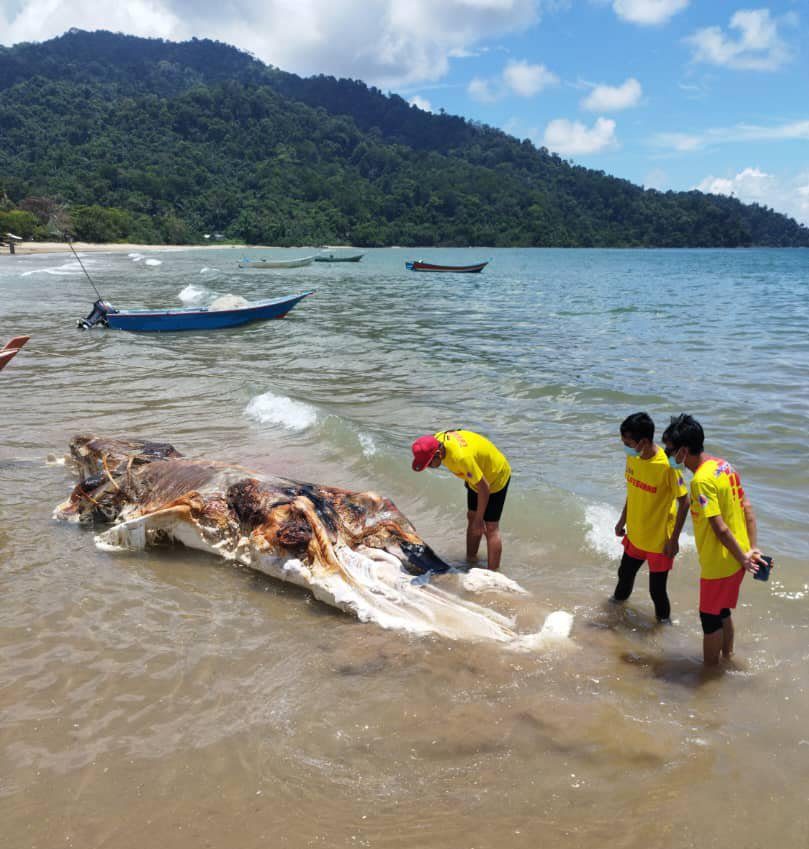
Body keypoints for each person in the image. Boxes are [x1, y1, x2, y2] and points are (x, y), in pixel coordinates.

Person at [665, 413, 764, 666]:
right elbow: (747, 508)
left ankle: (709, 673)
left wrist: (743, 558)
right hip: (737, 556)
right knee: (722, 612)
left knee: (709, 618)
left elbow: (719, 528)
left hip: (721, 562)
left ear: (684, 451)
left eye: (670, 450)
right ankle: (727, 656)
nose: (668, 455)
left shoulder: (701, 481)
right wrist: (751, 549)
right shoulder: (725, 466)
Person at [612, 412, 690, 622]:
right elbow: (632, 490)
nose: (625, 447)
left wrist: (673, 540)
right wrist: (622, 520)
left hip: (659, 541)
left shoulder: (667, 467)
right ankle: (614, 617)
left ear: (643, 442)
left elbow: (685, 501)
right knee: (624, 576)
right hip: (636, 532)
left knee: (656, 591)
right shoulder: (633, 456)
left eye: (628, 442)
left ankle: (663, 630)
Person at [411, 429, 511, 571]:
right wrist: (476, 518)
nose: (428, 466)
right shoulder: (437, 440)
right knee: (471, 516)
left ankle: (493, 575)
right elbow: (454, 431)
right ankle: (470, 561)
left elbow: (484, 487)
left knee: (490, 527)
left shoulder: (462, 458)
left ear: (438, 454)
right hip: (475, 475)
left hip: (495, 476)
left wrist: (480, 518)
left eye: (429, 463)